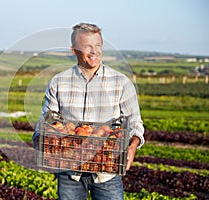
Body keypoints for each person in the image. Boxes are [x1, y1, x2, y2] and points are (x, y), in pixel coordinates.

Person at [32, 22, 144, 200]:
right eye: (87, 47)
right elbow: (46, 122)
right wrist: (40, 139)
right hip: (70, 172)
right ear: (74, 50)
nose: (94, 51)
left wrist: (133, 145)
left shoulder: (121, 83)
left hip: (107, 171)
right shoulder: (58, 82)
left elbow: (135, 123)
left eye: (98, 45)